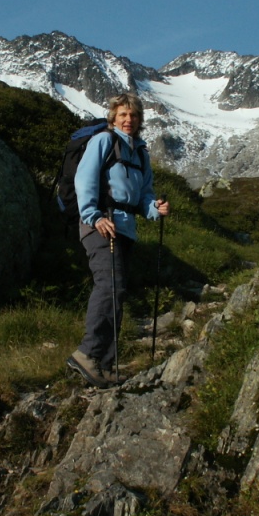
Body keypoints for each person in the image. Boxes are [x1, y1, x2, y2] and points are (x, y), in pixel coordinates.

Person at [66, 93, 170, 388]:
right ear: (113, 117)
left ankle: (105, 364)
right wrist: (93, 216)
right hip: (101, 225)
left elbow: (144, 195)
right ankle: (87, 354)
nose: (128, 120)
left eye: (133, 115)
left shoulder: (140, 154)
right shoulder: (103, 141)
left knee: (118, 290)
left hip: (124, 228)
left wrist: (155, 208)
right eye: (123, 114)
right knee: (110, 286)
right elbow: (84, 179)